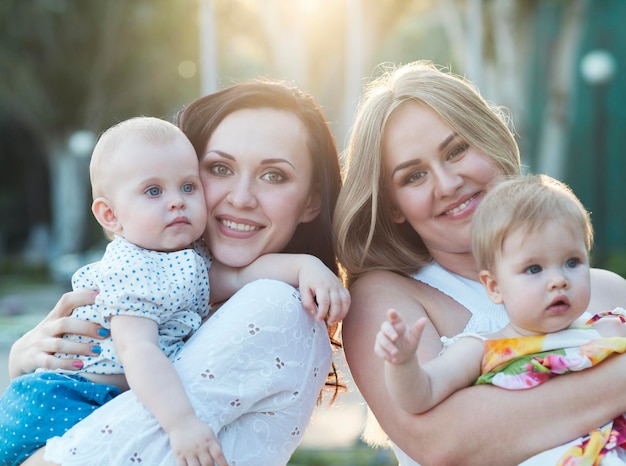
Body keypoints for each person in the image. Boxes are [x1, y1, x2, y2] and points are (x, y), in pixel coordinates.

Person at [8, 80, 349, 466]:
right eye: (219, 168)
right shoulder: (147, 267)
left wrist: (308, 265)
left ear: (311, 202)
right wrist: (22, 362)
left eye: (273, 175)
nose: (240, 198)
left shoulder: (275, 307)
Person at [333, 60, 626, 465]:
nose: (448, 183)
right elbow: (442, 444)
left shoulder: (606, 289)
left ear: (489, 140)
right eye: (413, 176)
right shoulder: (384, 300)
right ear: (395, 206)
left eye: (456, 151)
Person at [374, 173, 626, 464]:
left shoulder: (608, 326)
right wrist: (403, 364)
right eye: (534, 269)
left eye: (572, 262)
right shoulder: (482, 347)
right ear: (494, 287)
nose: (559, 280)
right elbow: (421, 395)